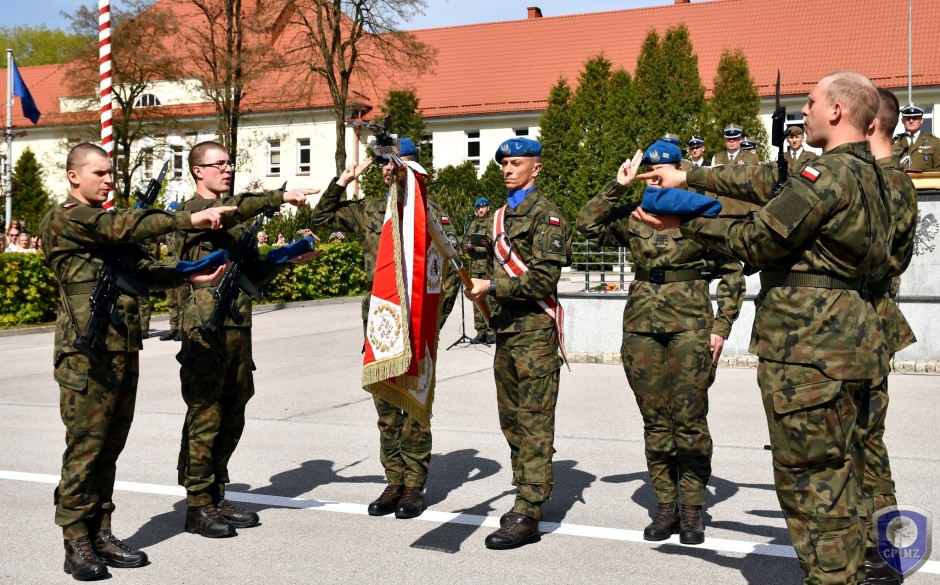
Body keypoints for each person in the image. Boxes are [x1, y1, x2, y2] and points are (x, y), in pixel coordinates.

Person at [633, 71, 891, 584]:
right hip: (856, 343)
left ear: (837, 110)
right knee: (842, 474)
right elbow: (766, 183)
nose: (805, 110)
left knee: (811, 485)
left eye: (812, 102)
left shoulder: (825, 178)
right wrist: (692, 178)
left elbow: (755, 241)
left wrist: (685, 223)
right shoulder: (875, 174)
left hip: (809, 352)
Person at [40, 143, 235, 581]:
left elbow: (142, 274)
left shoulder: (106, 227)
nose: (108, 180)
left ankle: (101, 531)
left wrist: (187, 273)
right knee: (86, 448)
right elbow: (120, 223)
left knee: (110, 446)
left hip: (121, 350)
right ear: (73, 176)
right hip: (85, 354)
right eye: (99, 173)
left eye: (111, 173)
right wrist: (190, 217)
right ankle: (75, 539)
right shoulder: (65, 219)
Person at [577, 140, 743, 545]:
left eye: (661, 170)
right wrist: (619, 186)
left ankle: (692, 508)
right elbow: (586, 226)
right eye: (648, 171)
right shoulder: (634, 214)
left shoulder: (699, 212)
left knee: (689, 422)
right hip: (641, 328)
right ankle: (665, 506)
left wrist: (722, 325)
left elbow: (733, 272)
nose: (654, 177)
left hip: (690, 327)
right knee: (655, 422)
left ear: (678, 168)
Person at [172, 140, 317, 538]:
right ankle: (197, 504)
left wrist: (285, 257)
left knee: (233, 411)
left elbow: (249, 273)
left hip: (237, 328)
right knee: (206, 416)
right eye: (218, 164)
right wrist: (278, 196)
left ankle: (216, 493)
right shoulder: (190, 214)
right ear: (198, 171)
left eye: (229, 163)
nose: (227, 168)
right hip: (204, 331)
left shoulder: (231, 223)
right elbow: (237, 206)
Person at [312, 137, 459, 521]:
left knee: (414, 406)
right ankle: (393, 480)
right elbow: (320, 220)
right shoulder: (369, 210)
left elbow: (452, 274)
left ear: (413, 167)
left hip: (418, 327)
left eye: (397, 162)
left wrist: (433, 324)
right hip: (381, 325)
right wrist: (341, 182)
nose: (388, 169)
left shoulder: (431, 213)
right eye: (384, 164)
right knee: (386, 407)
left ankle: (414, 486)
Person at [465, 137, 572, 550]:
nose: (508, 169)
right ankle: (524, 491)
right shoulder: (497, 217)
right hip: (507, 331)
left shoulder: (547, 217)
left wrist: (493, 284)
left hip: (535, 334)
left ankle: (530, 508)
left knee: (534, 421)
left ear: (536, 168)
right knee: (510, 420)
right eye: (505, 163)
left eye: (516, 163)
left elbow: (544, 280)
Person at [859, 87, 918, 585]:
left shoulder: (885, 180)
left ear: (872, 123)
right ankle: (879, 543)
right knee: (865, 440)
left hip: (866, 325)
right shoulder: (884, 177)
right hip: (865, 324)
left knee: (864, 442)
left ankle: (882, 548)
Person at [465, 197, 495, 344]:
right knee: (476, 299)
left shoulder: (492, 224)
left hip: (488, 268)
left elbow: (493, 245)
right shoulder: (472, 224)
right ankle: (480, 331)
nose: (480, 210)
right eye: (478, 208)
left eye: (483, 207)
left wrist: (476, 247)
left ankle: (491, 330)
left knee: (490, 300)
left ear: (488, 208)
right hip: (475, 268)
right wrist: (468, 246)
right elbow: (465, 243)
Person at [894, 104, 940, 171]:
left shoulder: (934, 142)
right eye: (908, 118)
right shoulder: (894, 142)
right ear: (902, 120)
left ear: (921, 120)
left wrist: (922, 173)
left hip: (924, 180)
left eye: (915, 118)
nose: (911, 121)